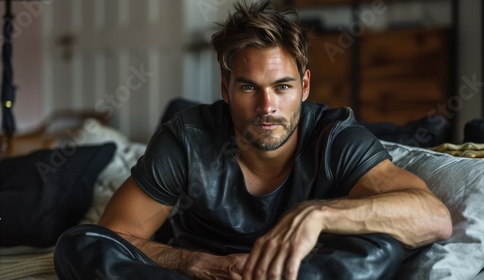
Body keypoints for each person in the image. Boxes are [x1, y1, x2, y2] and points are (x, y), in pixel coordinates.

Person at [54, 1, 452, 279]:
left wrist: (318, 215)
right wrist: (197, 263)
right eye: (248, 87)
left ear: (305, 86)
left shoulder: (336, 138)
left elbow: (434, 217)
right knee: (78, 243)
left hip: (301, 272)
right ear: (225, 88)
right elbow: (114, 235)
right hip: (197, 275)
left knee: (380, 247)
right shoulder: (187, 138)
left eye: (282, 86)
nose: (267, 106)